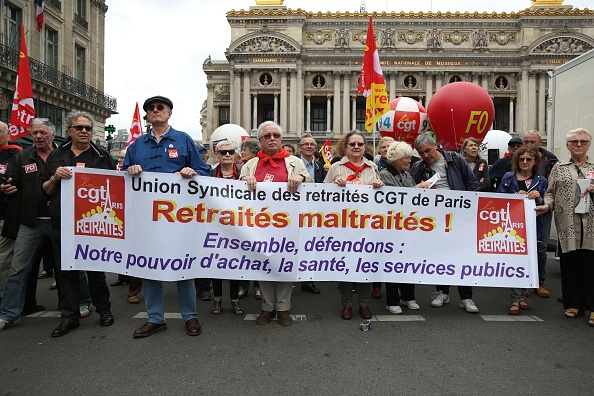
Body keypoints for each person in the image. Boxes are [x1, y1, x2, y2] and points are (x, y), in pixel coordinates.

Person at [124, 95, 210, 338]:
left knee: (182, 265)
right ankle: (155, 318)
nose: (155, 111)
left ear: (169, 113)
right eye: (150, 108)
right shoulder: (137, 146)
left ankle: (190, 315)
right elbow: (121, 177)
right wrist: (129, 171)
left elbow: (204, 170)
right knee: (151, 268)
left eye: (160, 107)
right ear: (148, 115)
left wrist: (192, 170)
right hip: (147, 219)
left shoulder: (183, 140)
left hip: (178, 218)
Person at [39, 112, 115, 337]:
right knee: (65, 273)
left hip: (92, 225)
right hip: (62, 224)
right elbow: (45, 190)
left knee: (95, 272)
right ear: (69, 130)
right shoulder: (56, 156)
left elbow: (115, 190)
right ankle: (69, 317)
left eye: (88, 128)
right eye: (79, 127)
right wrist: (54, 178)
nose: (84, 131)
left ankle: (104, 310)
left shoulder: (102, 156)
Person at [240, 121, 311, 326]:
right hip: (259, 224)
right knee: (264, 265)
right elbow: (236, 190)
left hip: (287, 225)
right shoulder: (251, 164)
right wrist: (245, 180)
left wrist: (301, 178)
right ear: (260, 141)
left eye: (276, 136)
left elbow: (310, 185)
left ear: (281, 139)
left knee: (285, 266)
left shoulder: (294, 162)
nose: (272, 139)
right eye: (267, 136)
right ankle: (267, 307)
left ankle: (283, 308)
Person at [0, 119, 58, 332]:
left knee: (69, 268)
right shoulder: (22, 157)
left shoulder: (64, 156)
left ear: (52, 134)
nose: (38, 136)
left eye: (43, 132)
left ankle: (76, 306)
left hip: (59, 222)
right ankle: (8, 314)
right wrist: (5, 188)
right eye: (35, 133)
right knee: (18, 269)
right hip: (31, 223)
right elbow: (10, 181)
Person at [413, 133, 480, 313]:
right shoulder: (420, 167)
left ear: (435, 144)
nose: (425, 155)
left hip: (459, 216)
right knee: (440, 254)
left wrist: (468, 207)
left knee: (461, 255)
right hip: (435, 219)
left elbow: (472, 183)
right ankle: (442, 292)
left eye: (427, 150)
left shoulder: (456, 159)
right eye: (421, 153)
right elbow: (413, 192)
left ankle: (466, 298)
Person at [536, 128, 594, 327]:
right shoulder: (559, 168)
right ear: (568, 145)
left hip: (590, 226)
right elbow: (550, 192)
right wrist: (546, 205)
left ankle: (593, 307)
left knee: (591, 266)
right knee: (570, 265)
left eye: (583, 141)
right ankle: (573, 304)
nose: (579, 144)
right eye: (574, 141)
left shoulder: (593, 167)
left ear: (589, 144)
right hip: (567, 224)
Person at [324, 131, 384, 320]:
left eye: (360, 144)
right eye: (352, 144)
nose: (356, 147)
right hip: (344, 225)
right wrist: (334, 185)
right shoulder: (336, 168)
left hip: (367, 225)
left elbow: (381, 197)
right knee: (346, 267)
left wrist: (379, 184)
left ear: (365, 147)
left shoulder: (372, 167)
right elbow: (322, 194)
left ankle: (364, 303)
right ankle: (347, 304)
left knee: (364, 265)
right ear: (346, 147)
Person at [379, 141, 430, 313]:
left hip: (409, 226)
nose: (409, 160)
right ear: (397, 158)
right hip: (392, 227)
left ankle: (408, 296)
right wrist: (418, 188)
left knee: (409, 262)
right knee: (393, 263)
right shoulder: (384, 174)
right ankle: (392, 300)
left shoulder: (408, 174)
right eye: (406, 157)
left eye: (409, 157)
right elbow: (396, 197)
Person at [497, 147, 548, 315]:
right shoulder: (508, 177)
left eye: (529, 159)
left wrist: (539, 198)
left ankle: (521, 296)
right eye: (522, 159)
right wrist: (514, 196)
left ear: (535, 162)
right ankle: (515, 298)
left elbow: (547, 202)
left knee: (528, 261)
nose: (525, 162)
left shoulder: (541, 180)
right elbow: (498, 199)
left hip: (533, 226)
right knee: (515, 261)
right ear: (517, 161)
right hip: (511, 227)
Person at [522, 130, 558, 297]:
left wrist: (542, 201)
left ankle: (540, 281)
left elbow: (554, 187)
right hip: (519, 212)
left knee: (541, 247)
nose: (529, 145)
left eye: (532, 142)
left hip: (541, 211)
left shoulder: (550, 160)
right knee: (520, 247)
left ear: (539, 143)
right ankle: (523, 281)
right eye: (526, 142)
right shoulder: (515, 159)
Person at [210, 141, 243, 315]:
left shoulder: (243, 173)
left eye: (231, 151)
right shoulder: (209, 174)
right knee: (217, 264)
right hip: (215, 226)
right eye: (224, 152)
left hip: (239, 226)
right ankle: (217, 300)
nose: (228, 155)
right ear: (217, 155)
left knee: (236, 265)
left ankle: (234, 300)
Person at [297, 133, 325, 295]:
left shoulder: (319, 166)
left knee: (310, 246)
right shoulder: (293, 163)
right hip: (295, 211)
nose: (309, 147)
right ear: (300, 147)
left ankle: (307, 280)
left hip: (313, 212)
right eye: (305, 144)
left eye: (311, 144)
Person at [0, 121, 22, 302]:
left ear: (7, 133)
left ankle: (6, 299)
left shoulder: (16, 155)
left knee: (4, 260)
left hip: (5, 215)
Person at [238, 139, 262, 299]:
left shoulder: (259, 165)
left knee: (259, 253)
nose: (242, 153)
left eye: (244, 150)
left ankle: (258, 286)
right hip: (245, 214)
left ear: (253, 152)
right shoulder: (242, 168)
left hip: (261, 215)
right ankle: (243, 285)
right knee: (245, 252)